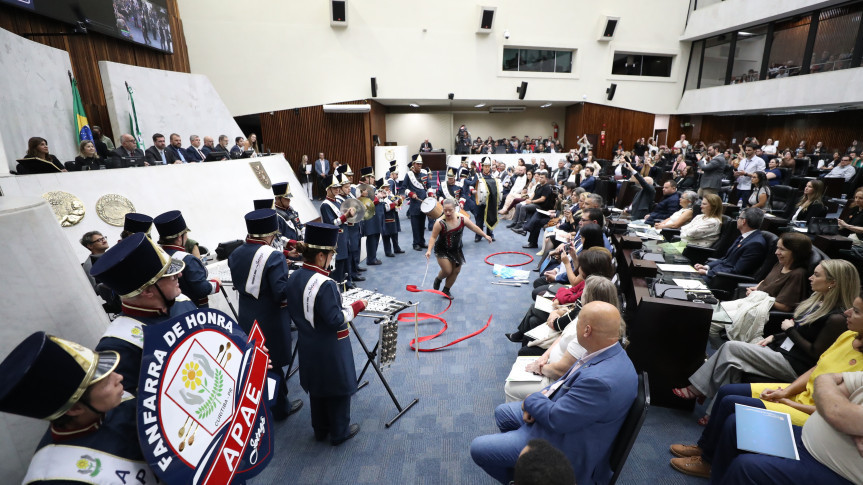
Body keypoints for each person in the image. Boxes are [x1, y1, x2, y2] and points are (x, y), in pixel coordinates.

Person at [470, 301, 637, 485]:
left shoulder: (600, 382)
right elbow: (562, 383)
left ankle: (526, 478)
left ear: (587, 330)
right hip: (569, 418)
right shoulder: (607, 352)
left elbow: (556, 418)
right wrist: (537, 400)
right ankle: (526, 476)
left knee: (478, 448)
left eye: (578, 322)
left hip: (563, 444)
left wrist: (530, 401)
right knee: (503, 413)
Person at [673, 259, 860, 405]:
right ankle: (711, 412)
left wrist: (790, 330)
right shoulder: (817, 301)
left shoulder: (837, 318)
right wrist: (774, 336)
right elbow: (800, 330)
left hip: (795, 366)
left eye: (816, 275)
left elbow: (814, 353)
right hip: (782, 351)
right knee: (733, 363)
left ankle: (697, 389)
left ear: (832, 283)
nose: (811, 278)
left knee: (731, 348)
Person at [0, 332, 159, 484]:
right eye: (105, 382)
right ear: (75, 408)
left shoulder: (109, 403)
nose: (119, 377)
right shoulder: (60, 479)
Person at [286, 222, 366, 445]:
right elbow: (335, 319)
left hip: (307, 341)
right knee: (338, 387)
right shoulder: (327, 284)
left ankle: (320, 429)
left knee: (317, 386)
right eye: (331, 254)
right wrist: (357, 306)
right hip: (330, 344)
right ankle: (339, 432)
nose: (332, 258)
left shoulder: (294, 277)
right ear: (321, 256)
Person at [90, 233, 197, 392]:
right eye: (169, 274)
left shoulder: (182, 302)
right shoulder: (117, 344)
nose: (179, 274)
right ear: (147, 291)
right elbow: (123, 402)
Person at [228, 209, 303, 421]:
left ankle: (271, 401)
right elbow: (280, 293)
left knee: (259, 360)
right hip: (270, 317)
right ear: (270, 235)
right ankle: (280, 407)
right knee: (272, 363)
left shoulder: (235, 253)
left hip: (247, 314)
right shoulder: (274, 256)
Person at [506, 276, 619, 399]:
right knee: (529, 335)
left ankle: (523, 410)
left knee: (510, 387)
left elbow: (562, 372)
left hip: (556, 381)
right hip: (549, 366)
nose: (581, 295)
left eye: (584, 292)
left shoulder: (589, 334)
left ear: (589, 298)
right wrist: (545, 356)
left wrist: (540, 367)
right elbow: (563, 335)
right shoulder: (588, 314)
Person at [710, 232, 812, 348]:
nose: (776, 252)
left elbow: (785, 307)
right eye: (777, 248)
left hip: (760, 311)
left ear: (796, 252)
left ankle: (719, 351)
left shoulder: (798, 275)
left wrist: (758, 295)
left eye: (782, 249)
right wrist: (757, 288)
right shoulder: (781, 264)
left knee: (712, 322)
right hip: (751, 303)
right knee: (711, 311)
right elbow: (766, 281)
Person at [426, 198, 492, 299]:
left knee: (456, 271)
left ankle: (446, 290)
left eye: (450, 210)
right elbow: (433, 237)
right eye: (445, 210)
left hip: (456, 250)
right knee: (447, 271)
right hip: (442, 250)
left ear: (455, 209)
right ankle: (438, 278)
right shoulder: (439, 222)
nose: (447, 213)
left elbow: (474, 227)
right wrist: (429, 250)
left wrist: (485, 235)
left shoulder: (462, 218)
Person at [154, 210, 220, 308]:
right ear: (179, 237)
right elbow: (202, 289)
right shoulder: (188, 260)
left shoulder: (157, 256)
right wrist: (216, 283)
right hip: (193, 308)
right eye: (185, 234)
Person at [694, 207, 767, 284]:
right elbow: (726, 259)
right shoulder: (744, 236)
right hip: (716, 273)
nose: (737, 220)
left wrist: (707, 272)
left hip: (722, 280)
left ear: (743, 221)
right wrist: (706, 267)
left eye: (738, 218)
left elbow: (737, 271)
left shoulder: (755, 244)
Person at [320, 174, 355, 285]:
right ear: (328, 189)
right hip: (336, 240)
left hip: (344, 237)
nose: (337, 189)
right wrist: (346, 216)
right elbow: (332, 224)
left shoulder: (338, 201)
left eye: (338, 187)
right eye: (334, 187)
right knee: (337, 267)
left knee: (345, 265)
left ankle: (347, 284)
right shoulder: (325, 205)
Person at [519, 170, 557, 249]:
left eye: (542, 177)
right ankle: (528, 235)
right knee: (533, 216)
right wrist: (529, 200)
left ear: (546, 179)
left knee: (536, 220)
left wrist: (531, 201)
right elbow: (534, 194)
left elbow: (543, 199)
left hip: (544, 210)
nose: (540, 179)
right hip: (539, 208)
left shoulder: (547, 187)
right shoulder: (539, 186)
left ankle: (525, 229)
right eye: (540, 177)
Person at [403, 156, 431, 250]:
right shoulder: (409, 175)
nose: (419, 165)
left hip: (424, 202)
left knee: (422, 224)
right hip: (415, 204)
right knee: (415, 225)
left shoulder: (424, 173)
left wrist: (431, 195)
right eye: (418, 164)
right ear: (414, 164)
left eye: (420, 164)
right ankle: (416, 243)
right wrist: (411, 194)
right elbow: (403, 188)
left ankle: (422, 242)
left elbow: (429, 186)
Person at [475, 158, 503, 242]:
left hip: (491, 201)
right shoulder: (478, 176)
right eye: (485, 166)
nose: (487, 168)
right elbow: (472, 185)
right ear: (482, 167)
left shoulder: (494, 177)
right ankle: (478, 235)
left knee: (490, 217)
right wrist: (473, 190)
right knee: (479, 219)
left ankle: (490, 234)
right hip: (480, 201)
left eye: (488, 167)